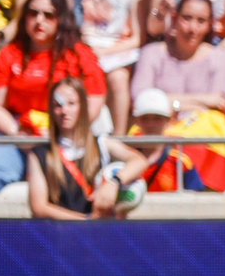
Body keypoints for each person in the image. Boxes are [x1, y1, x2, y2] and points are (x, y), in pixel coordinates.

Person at [0, 0, 108, 192]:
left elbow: (95, 100)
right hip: (20, 131)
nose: (39, 20)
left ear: (60, 19)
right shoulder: (9, 54)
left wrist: (59, 131)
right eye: (33, 13)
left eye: (48, 15)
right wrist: (16, 133)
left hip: (67, 131)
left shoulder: (80, 54)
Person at [25, 75, 151, 217]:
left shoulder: (101, 143)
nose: (64, 111)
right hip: (60, 229)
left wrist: (114, 182)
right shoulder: (39, 153)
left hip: (97, 228)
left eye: (71, 103)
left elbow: (139, 160)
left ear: (83, 106)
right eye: (58, 105)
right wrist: (85, 222)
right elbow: (39, 207)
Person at [71, 0, 144, 131]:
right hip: (86, 49)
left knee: (118, 78)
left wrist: (104, 52)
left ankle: (119, 136)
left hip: (118, 49)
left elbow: (137, 38)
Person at [130, 0, 225, 116]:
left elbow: (220, 104)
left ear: (209, 25)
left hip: (202, 127)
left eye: (201, 21)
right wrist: (200, 103)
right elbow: (140, 100)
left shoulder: (219, 57)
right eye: (186, 18)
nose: (192, 28)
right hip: (159, 128)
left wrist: (162, 102)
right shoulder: (151, 54)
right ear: (174, 19)